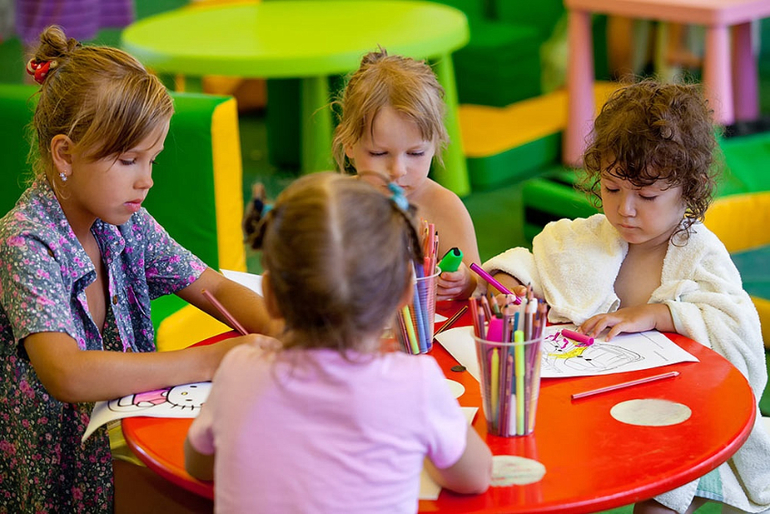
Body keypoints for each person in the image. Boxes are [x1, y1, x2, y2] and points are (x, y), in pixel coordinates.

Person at [0, 26, 278, 512]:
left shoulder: (127, 224)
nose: (146, 180)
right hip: (56, 478)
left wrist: (288, 333)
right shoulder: (26, 241)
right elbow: (66, 373)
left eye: (152, 160)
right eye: (129, 160)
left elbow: (212, 286)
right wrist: (210, 360)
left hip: (120, 446)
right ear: (65, 154)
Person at [482, 80, 770, 513]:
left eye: (647, 195)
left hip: (683, 414)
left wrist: (659, 313)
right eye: (612, 189)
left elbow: (737, 328)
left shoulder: (699, 253)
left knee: (658, 505)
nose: (625, 209)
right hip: (595, 400)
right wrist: (510, 281)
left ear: (689, 189)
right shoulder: (590, 238)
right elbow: (533, 263)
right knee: (536, 468)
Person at [185, 172, 492, 513]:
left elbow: (198, 465)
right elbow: (474, 477)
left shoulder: (238, 370)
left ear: (269, 295)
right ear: (407, 290)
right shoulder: (416, 382)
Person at [332, 48, 480, 301]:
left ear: (434, 146)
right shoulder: (336, 204)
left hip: (431, 325)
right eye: (379, 153)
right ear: (349, 144)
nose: (398, 170)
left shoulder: (444, 207)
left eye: (415, 153)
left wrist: (463, 282)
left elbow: (478, 284)